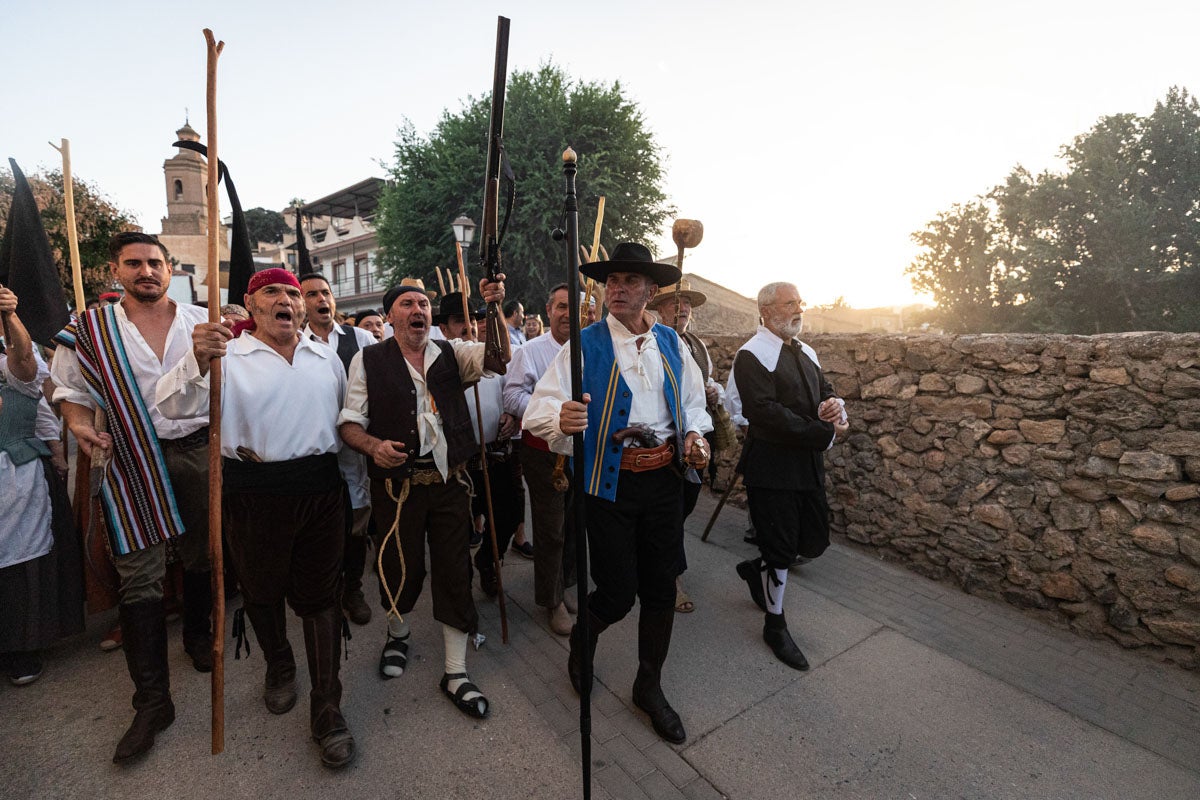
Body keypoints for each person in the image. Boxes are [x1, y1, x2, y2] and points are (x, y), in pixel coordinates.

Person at [157, 268, 357, 768]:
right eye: (273, 291)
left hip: (320, 491)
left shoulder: (326, 357)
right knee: (263, 590)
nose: (287, 299)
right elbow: (173, 406)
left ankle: (327, 706)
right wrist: (197, 361)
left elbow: (341, 427)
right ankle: (280, 665)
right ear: (250, 303)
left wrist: (355, 492)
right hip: (253, 493)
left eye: (293, 292)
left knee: (321, 596)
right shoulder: (227, 355)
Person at [524, 242, 712, 744]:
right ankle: (582, 645)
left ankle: (648, 687)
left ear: (652, 291)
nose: (618, 289)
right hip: (607, 485)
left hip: (664, 484)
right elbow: (537, 411)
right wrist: (561, 418)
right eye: (612, 281)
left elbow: (693, 404)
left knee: (659, 589)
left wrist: (693, 435)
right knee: (617, 591)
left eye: (630, 281)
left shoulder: (671, 341)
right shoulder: (583, 346)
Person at [51, 231, 213, 763]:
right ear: (114, 270)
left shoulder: (200, 320)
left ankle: (196, 637)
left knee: (200, 554)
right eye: (135, 263)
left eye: (155, 263)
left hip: (196, 450)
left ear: (170, 270)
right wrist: (77, 426)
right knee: (138, 571)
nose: (147, 271)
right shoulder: (89, 330)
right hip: (128, 454)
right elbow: (70, 393)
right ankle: (152, 702)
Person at [338, 275, 509, 721]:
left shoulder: (453, 353)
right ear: (391, 314)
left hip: (451, 484)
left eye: (424, 304)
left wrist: (493, 308)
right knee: (398, 566)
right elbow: (350, 423)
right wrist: (375, 447)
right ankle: (398, 633)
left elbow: (500, 358)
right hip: (397, 490)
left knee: (455, 570)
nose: (419, 310)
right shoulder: (368, 359)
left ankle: (455, 671)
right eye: (408, 303)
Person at [728, 281, 848, 671]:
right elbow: (764, 412)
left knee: (812, 540)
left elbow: (824, 392)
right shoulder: (752, 355)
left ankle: (756, 569)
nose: (799, 308)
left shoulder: (805, 350)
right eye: (790, 303)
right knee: (780, 547)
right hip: (773, 468)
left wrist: (833, 407)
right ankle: (775, 625)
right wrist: (821, 433)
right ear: (766, 310)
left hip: (807, 464)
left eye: (799, 302)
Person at [0, 288, 84, 686]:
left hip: (14, 477)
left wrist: (11, 317)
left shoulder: (10, 366)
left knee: (20, 562)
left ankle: (22, 647)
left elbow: (25, 366)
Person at [646, 279, 731, 614]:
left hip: (697, 437)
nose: (682, 310)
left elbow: (702, 385)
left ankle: (661, 560)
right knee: (673, 509)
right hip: (666, 442)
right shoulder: (649, 342)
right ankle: (672, 577)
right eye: (674, 303)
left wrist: (712, 391)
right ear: (658, 308)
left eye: (687, 305)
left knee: (685, 506)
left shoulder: (696, 344)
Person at [300, 272, 378, 626]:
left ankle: (354, 589)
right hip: (313, 447)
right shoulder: (293, 342)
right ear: (302, 303)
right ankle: (324, 590)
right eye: (312, 294)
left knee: (356, 522)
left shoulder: (360, 338)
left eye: (326, 293)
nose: (321, 299)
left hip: (354, 447)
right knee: (319, 524)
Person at [504, 284, 579, 635]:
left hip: (583, 451)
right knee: (551, 529)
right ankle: (551, 601)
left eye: (575, 307)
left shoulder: (590, 348)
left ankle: (565, 584)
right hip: (543, 450)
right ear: (548, 310)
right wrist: (548, 412)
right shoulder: (530, 351)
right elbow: (512, 394)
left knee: (575, 524)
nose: (568, 314)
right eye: (562, 307)